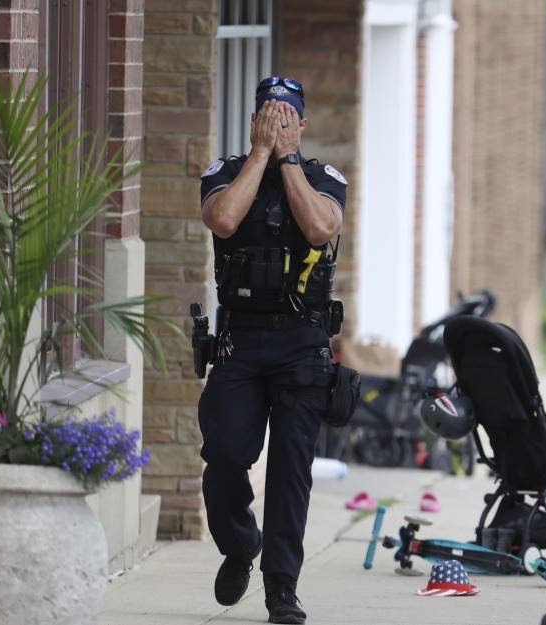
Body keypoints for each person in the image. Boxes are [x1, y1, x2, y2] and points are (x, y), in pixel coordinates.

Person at [197, 76, 346, 625]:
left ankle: (282, 588)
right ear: (255, 119)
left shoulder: (322, 178)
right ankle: (240, 546)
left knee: (291, 471)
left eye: (288, 117)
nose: (279, 123)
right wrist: (261, 154)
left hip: (302, 344)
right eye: (269, 115)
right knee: (225, 456)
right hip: (241, 341)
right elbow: (225, 219)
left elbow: (316, 227)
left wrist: (286, 160)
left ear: (302, 125)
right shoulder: (224, 172)